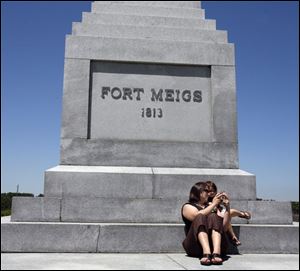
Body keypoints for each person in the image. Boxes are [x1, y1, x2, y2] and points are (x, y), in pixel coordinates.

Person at [181, 181, 231, 265]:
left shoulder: (213, 206)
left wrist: (227, 208)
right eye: (206, 191)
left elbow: (224, 227)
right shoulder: (188, 206)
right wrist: (214, 204)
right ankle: (206, 252)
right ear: (199, 192)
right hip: (195, 246)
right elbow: (196, 215)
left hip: (216, 246)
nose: (209, 194)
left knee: (213, 216)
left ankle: (216, 253)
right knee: (200, 216)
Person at [206, 181, 252, 246]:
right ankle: (232, 236)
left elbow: (224, 206)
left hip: (222, 214)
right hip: (214, 218)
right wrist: (214, 203)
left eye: (213, 190)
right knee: (229, 214)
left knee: (230, 212)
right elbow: (214, 211)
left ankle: (242, 214)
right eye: (209, 191)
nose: (211, 193)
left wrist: (225, 199)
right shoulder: (204, 200)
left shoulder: (217, 197)